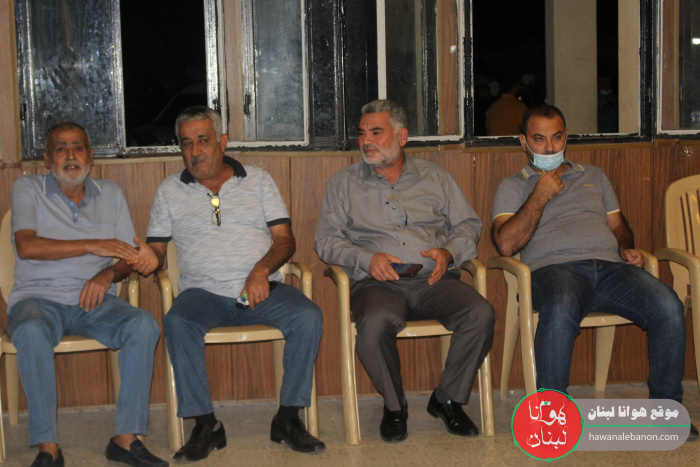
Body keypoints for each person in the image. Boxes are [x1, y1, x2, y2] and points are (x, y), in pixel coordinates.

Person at [491, 104, 697, 440]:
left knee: (668, 305)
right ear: (523, 142)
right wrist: (539, 196)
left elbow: (618, 226)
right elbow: (505, 244)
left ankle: (666, 411)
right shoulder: (513, 186)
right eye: (539, 139)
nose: (550, 148)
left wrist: (625, 247)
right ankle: (552, 420)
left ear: (566, 137)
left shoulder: (594, 176)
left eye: (557, 138)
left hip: (612, 268)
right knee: (560, 309)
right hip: (554, 271)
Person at [138, 106, 324, 461]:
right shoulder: (169, 190)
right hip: (202, 294)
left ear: (222, 142)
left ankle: (287, 419)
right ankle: (206, 425)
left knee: (308, 316)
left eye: (203, 140)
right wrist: (147, 258)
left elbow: (285, 240)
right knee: (177, 321)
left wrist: (260, 271)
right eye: (186, 143)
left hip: (262, 288)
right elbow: (157, 252)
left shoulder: (258, 180)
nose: (195, 151)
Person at [314, 99, 494, 442]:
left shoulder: (435, 176)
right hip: (377, 285)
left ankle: (447, 399)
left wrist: (448, 253)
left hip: (434, 281)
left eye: (376, 132)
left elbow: (468, 225)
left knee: (480, 313)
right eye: (362, 133)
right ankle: (395, 407)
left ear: (401, 137)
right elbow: (325, 242)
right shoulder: (343, 184)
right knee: (374, 324)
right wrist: (367, 258)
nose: (366, 141)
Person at [6, 122, 167, 467]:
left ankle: (125, 439)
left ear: (90, 157)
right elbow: (27, 246)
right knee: (30, 331)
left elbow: (126, 257)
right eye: (61, 149)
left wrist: (108, 273)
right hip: (37, 299)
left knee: (143, 324)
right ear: (47, 159)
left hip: (94, 301)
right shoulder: (28, 187)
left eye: (78, 147)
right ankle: (48, 448)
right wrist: (92, 244)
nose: (71, 156)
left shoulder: (110, 193)